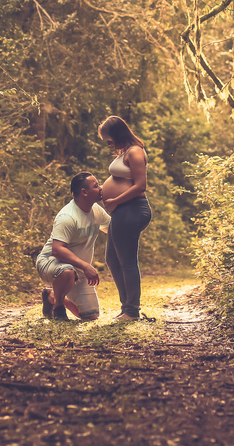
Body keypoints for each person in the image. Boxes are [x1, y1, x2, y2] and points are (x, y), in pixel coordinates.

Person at [35, 172, 111, 321]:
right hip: (50, 262)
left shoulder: (96, 210)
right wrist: (86, 266)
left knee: (91, 316)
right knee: (67, 271)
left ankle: (51, 295)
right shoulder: (68, 217)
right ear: (84, 192)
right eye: (96, 186)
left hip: (79, 270)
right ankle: (58, 307)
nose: (101, 188)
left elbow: (113, 230)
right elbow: (57, 250)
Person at [98, 115, 152, 322]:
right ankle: (126, 308)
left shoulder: (135, 152)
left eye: (109, 139)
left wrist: (115, 201)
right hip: (122, 210)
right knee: (112, 259)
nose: (109, 144)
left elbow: (140, 185)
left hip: (132, 208)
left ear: (118, 133)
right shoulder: (125, 152)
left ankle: (132, 311)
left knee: (127, 261)